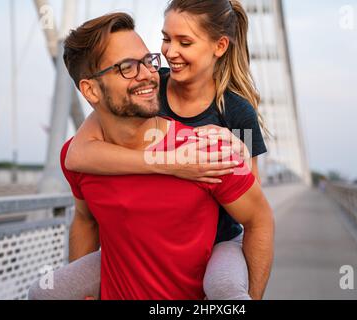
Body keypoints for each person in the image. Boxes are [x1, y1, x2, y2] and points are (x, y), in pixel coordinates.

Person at [30, 0, 273, 300]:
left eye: (185, 42)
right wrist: (170, 162)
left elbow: (255, 209)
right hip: (141, 246)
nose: (169, 54)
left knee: (225, 290)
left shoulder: (233, 117)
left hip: (222, 238)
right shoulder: (155, 87)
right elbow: (77, 157)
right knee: (44, 292)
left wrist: (225, 154)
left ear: (219, 46)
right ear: (91, 90)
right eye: (166, 40)